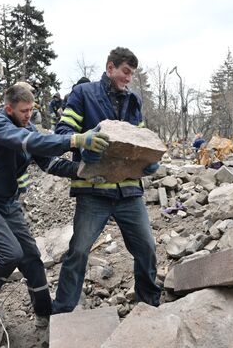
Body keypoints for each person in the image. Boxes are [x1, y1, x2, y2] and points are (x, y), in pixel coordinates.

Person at [0, 84, 109, 327]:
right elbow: (27, 141)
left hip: (7, 200)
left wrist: (83, 171)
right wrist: (74, 140)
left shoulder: (27, 127)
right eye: (23, 111)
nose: (28, 115)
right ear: (8, 108)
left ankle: (44, 313)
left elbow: (50, 163)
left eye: (31, 109)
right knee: (10, 254)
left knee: (31, 257)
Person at [52, 47, 161, 314]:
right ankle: (63, 311)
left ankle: (149, 305)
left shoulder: (134, 100)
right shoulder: (83, 94)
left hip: (128, 190)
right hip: (94, 190)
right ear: (110, 67)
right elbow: (63, 131)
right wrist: (85, 139)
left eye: (132, 74)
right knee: (78, 251)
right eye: (125, 72)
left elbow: (138, 138)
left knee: (146, 248)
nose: (128, 78)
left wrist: (146, 160)